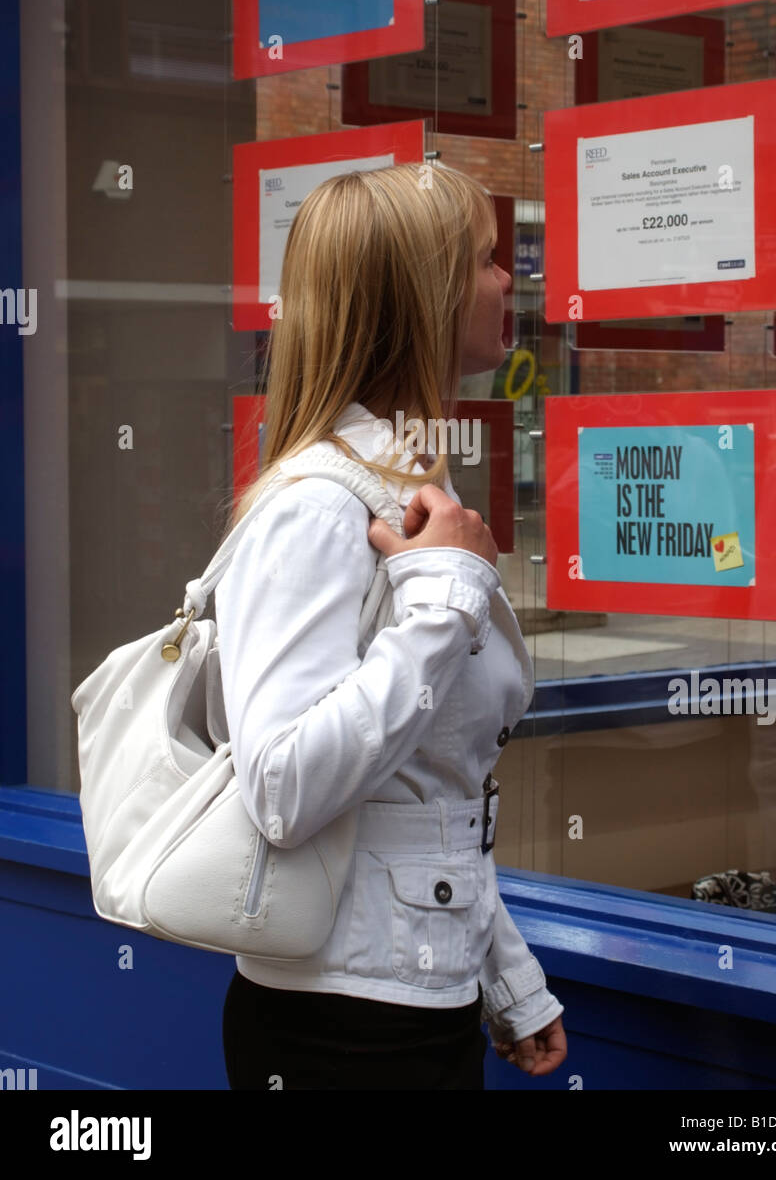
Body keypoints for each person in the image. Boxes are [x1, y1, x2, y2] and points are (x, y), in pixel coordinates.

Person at [216, 162, 567, 1090]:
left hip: (413, 996)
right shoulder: (319, 507)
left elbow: (429, 796)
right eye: (487, 261)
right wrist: (447, 595)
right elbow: (283, 787)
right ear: (426, 295)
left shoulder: (409, 481)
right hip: (338, 1029)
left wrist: (509, 981)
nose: (508, 281)